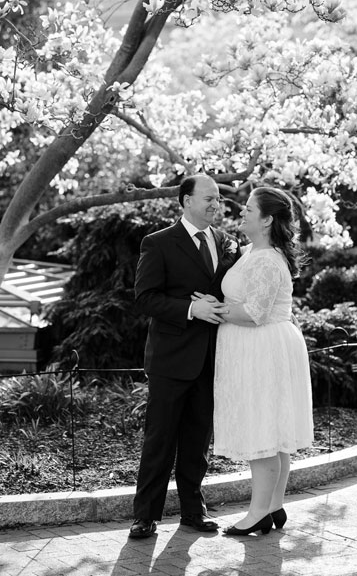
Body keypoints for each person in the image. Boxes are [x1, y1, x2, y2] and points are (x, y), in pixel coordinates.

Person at [129, 174, 240, 539]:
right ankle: (145, 516)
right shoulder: (158, 243)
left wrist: (219, 306)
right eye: (208, 198)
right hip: (170, 359)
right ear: (185, 201)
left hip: (212, 358)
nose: (215, 204)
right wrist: (192, 310)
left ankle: (193, 511)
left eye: (218, 199)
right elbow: (144, 297)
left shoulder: (225, 242)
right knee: (159, 440)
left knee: (197, 439)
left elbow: (230, 289)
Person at [199, 187, 313, 536]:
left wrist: (215, 309)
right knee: (273, 429)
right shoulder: (252, 251)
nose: (242, 212)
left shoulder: (265, 259)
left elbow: (254, 313)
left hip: (262, 349)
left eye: (249, 209)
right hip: (262, 346)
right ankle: (274, 505)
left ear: (266, 220)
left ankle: (258, 512)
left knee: (263, 427)